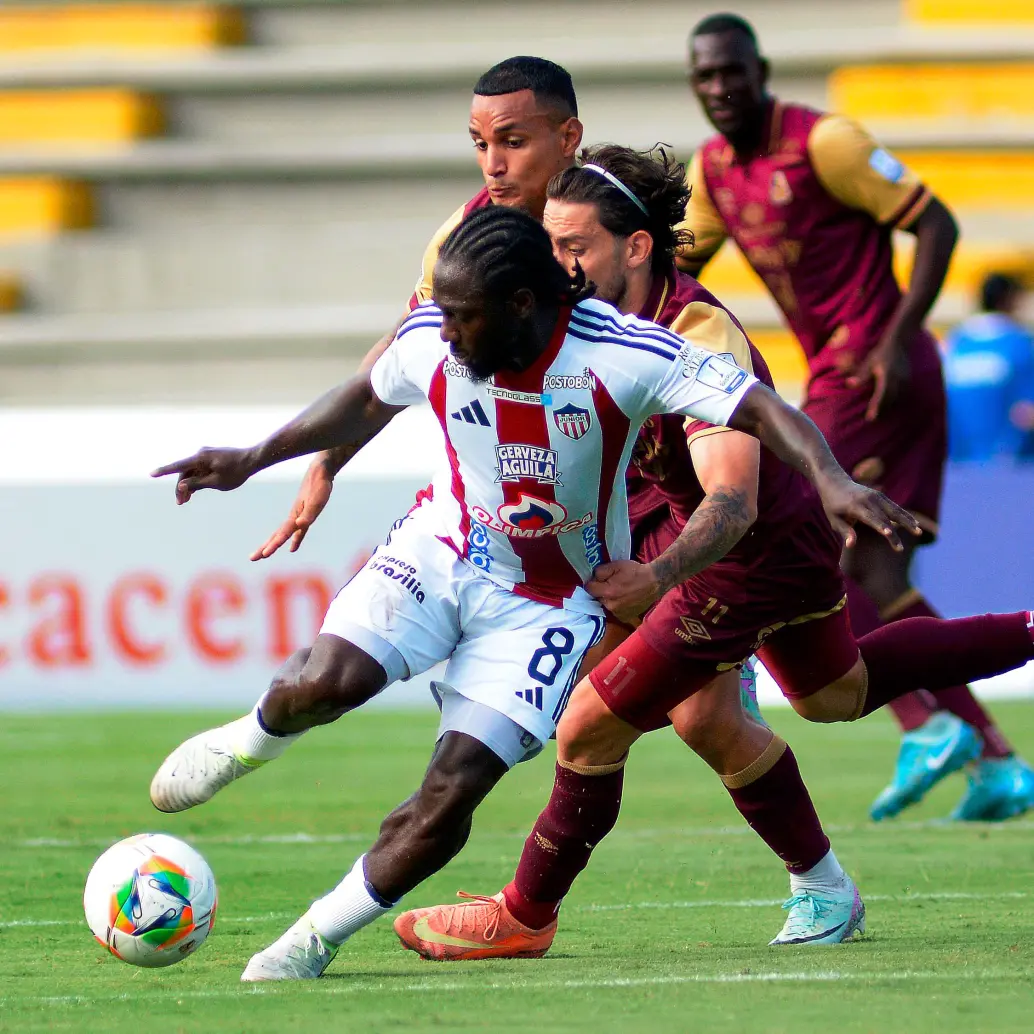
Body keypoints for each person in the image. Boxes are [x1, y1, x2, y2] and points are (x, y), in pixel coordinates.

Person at [149, 205, 919, 980]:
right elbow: (367, 395)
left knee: (452, 789)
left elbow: (758, 405)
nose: (442, 334)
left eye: (460, 318)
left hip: (554, 603)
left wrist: (830, 478)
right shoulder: (434, 338)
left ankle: (308, 942)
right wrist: (254, 457)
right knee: (319, 685)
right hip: (445, 547)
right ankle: (249, 739)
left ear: (521, 305)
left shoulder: (622, 354)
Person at [251, 55, 860, 940]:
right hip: (579, 531)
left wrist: (802, 489)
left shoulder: (648, 291)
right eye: (478, 144)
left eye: (512, 141)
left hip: (679, 537)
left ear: (566, 140)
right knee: (777, 703)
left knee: (600, 725)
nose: (492, 163)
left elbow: (731, 442)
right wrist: (327, 461)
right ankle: (808, 883)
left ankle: (525, 911)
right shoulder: (468, 239)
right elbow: (398, 357)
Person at [391, 211, 1034, 967]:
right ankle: (826, 886)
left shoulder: (693, 328)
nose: (560, 262)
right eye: (552, 245)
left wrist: (654, 576)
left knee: (589, 726)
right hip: (745, 537)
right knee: (821, 695)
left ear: (633, 248)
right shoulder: (589, 320)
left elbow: (732, 499)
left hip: (741, 548)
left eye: (576, 246)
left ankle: (524, 914)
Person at [675, 12, 1033, 822]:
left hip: (876, 371)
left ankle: (928, 724)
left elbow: (936, 222)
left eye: (733, 70)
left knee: (794, 544)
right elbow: (669, 267)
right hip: (847, 374)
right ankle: (997, 762)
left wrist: (901, 337)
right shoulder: (716, 170)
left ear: (760, 68)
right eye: (705, 76)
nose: (721, 88)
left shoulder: (825, 143)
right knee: (875, 573)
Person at [945, 272, 1034, 463]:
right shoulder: (1019, 342)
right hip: (1009, 463)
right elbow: (1026, 411)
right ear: (1008, 300)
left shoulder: (956, 340)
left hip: (959, 460)